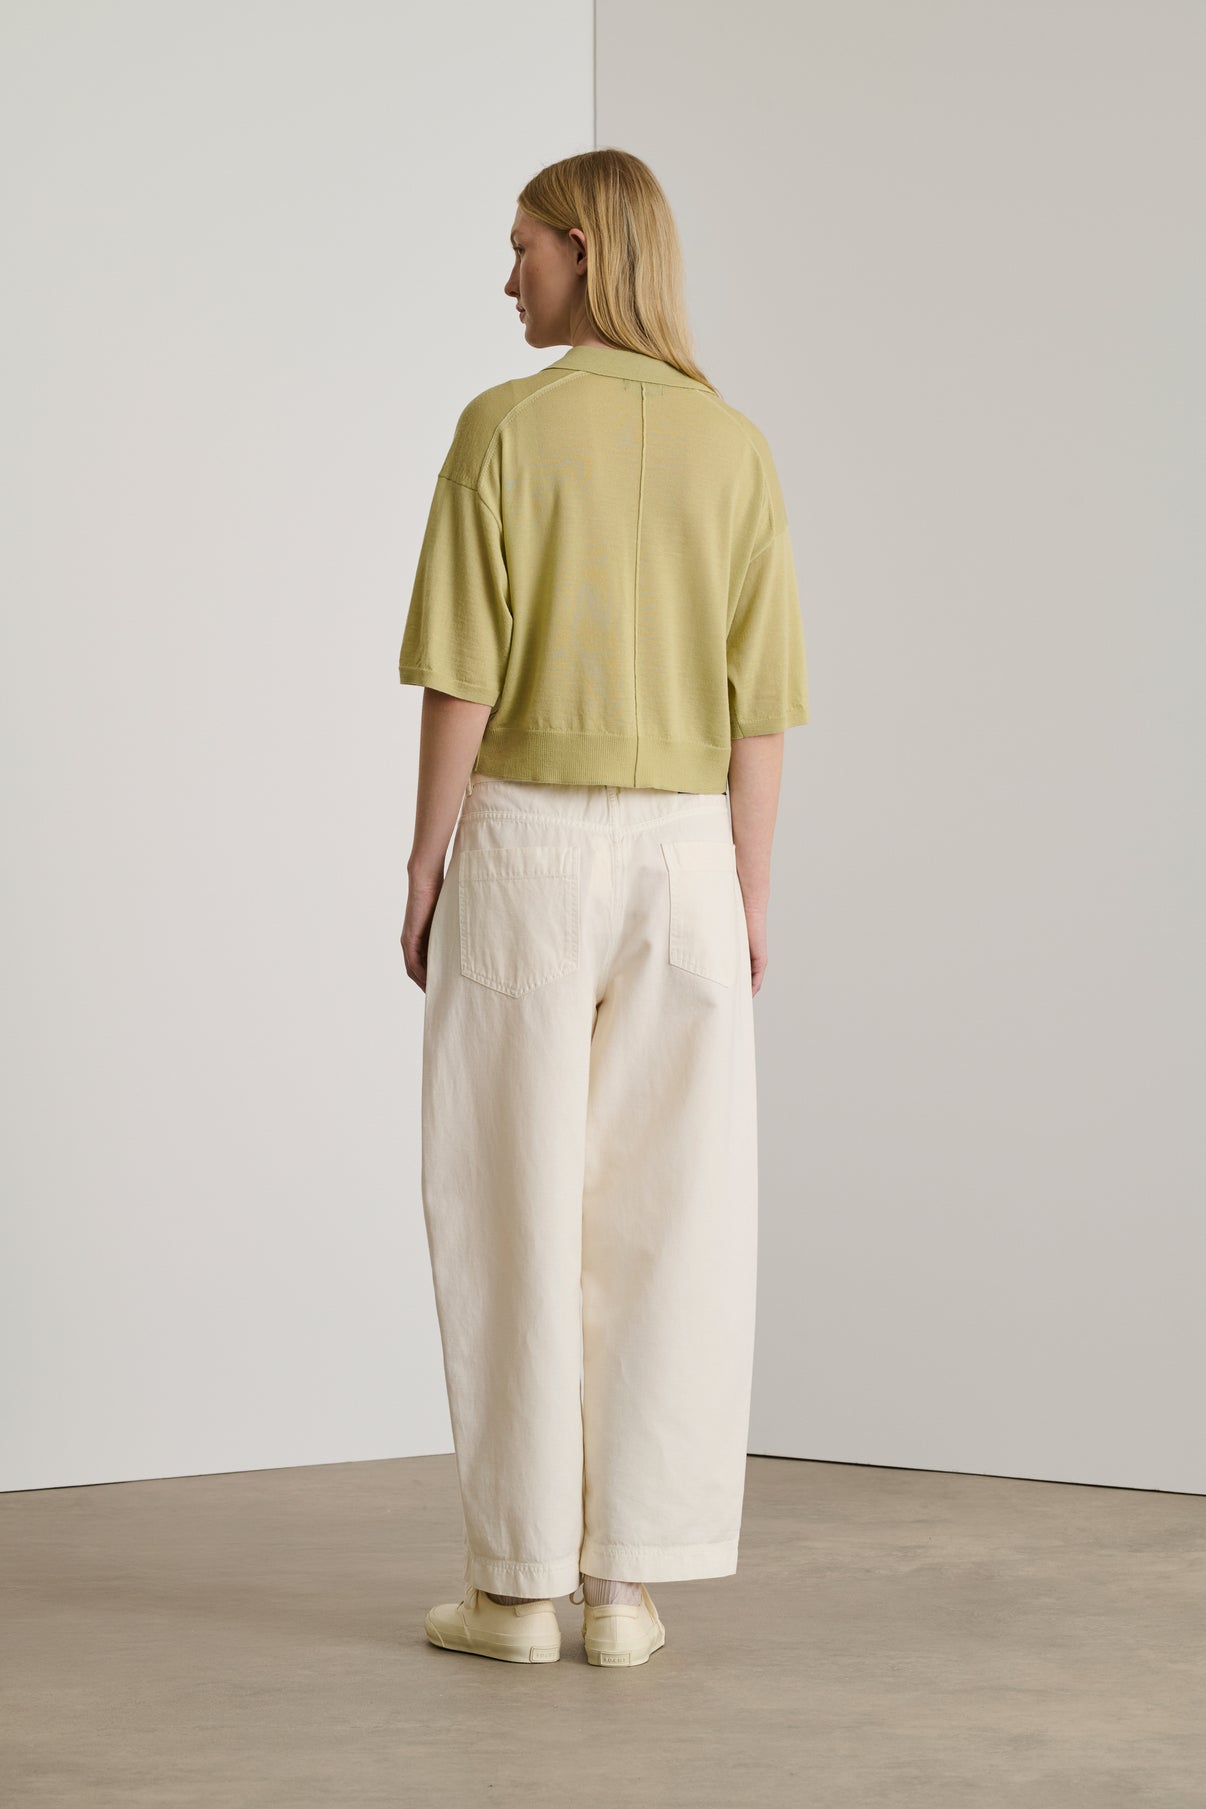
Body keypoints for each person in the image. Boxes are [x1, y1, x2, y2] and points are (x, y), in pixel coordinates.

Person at [397, 148, 809, 1668]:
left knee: (509, 1201)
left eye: (522, 248)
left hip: (525, 842)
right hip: (688, 856)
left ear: (583, 249)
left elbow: (463, 673)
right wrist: (748, 892)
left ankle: (517, 1588)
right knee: (670, 1217)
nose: (506, 277)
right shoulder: (735, 446)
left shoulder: (502, 428)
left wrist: (425, 860)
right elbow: (760, 707)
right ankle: (626, 1589)